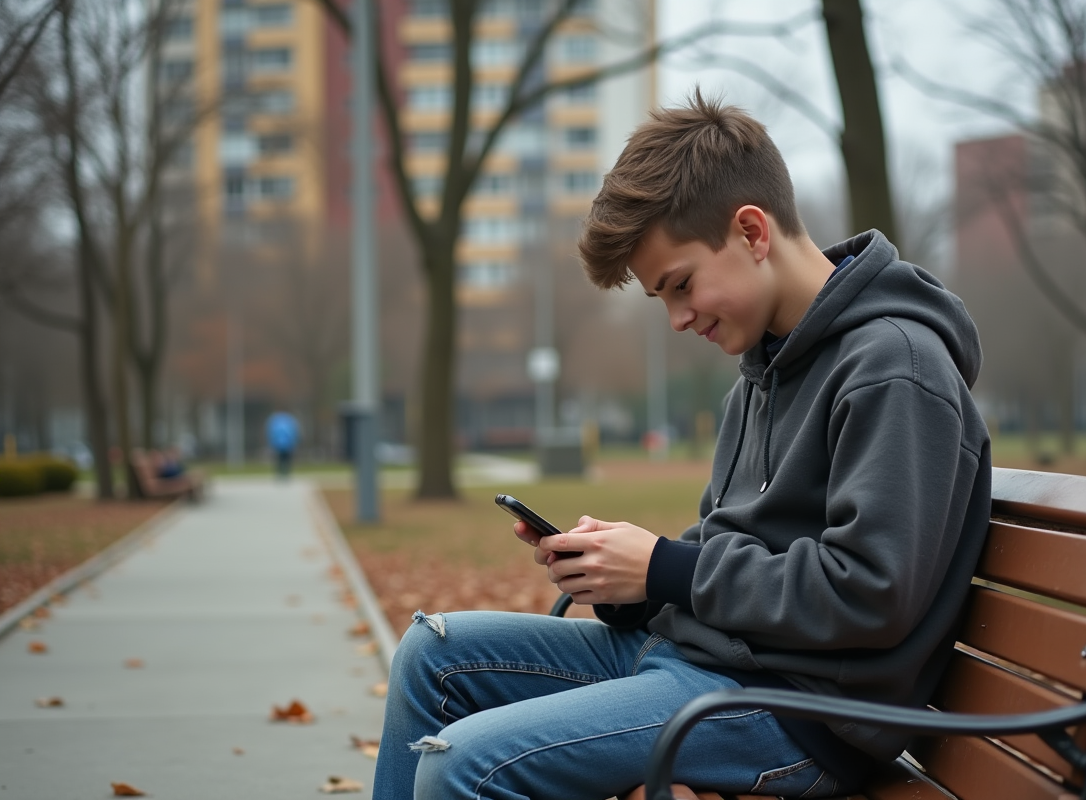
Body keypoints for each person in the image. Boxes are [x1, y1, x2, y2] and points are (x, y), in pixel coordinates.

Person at [372, 92, 992, 800]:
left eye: (681, 285)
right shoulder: (764, 371)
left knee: (465, 765)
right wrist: (620, 581)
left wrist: (666, 568)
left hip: (796, 711)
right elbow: (724, 558)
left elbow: (872, 592)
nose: (675, 319)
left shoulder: (895, 367)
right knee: (433, 656)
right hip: (703, 667)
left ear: (752, 232)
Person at [265, 410, 300, 479]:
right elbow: (293, 433)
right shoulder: (289, 420)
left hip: (278, 444)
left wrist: (272, 442)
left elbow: (271, 433)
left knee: (279, 459)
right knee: (286, 459)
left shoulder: (275, 421)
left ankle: (280, 473)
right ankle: (286, 473)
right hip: (287, 444)